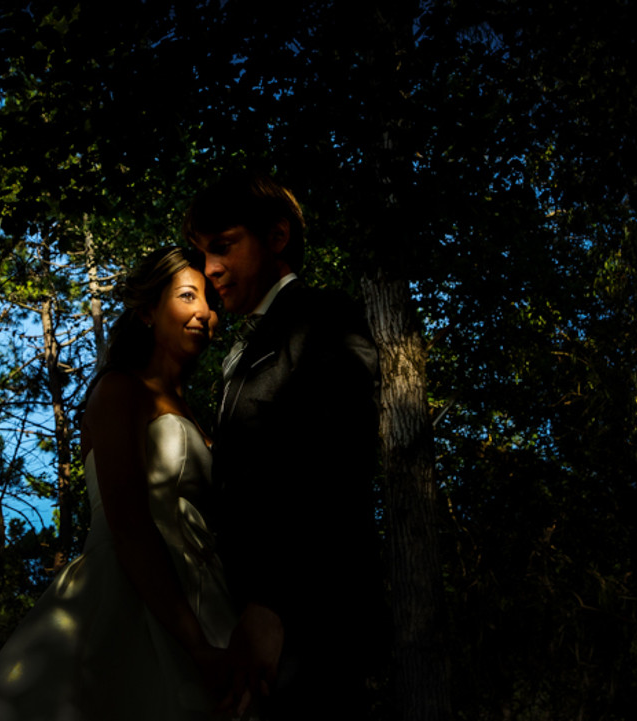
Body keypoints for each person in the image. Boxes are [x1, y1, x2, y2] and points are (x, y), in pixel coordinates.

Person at [0, 246, 249, 721]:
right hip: (130, 590)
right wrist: (195, 645)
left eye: (210, 302)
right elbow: (129, 524)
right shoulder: (119, 390)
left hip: (211, 592)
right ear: (147, 311)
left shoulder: (205, 417)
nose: (204, 312)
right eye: (188, 296)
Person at [185, 172, 383, 718]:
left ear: (276, 238)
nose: (210, 269)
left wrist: (273, 604)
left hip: (307, 622)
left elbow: (338, 461)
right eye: (203, 254)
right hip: (244, 623)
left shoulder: (323, 315)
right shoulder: (243, 354)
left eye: (223, 246)